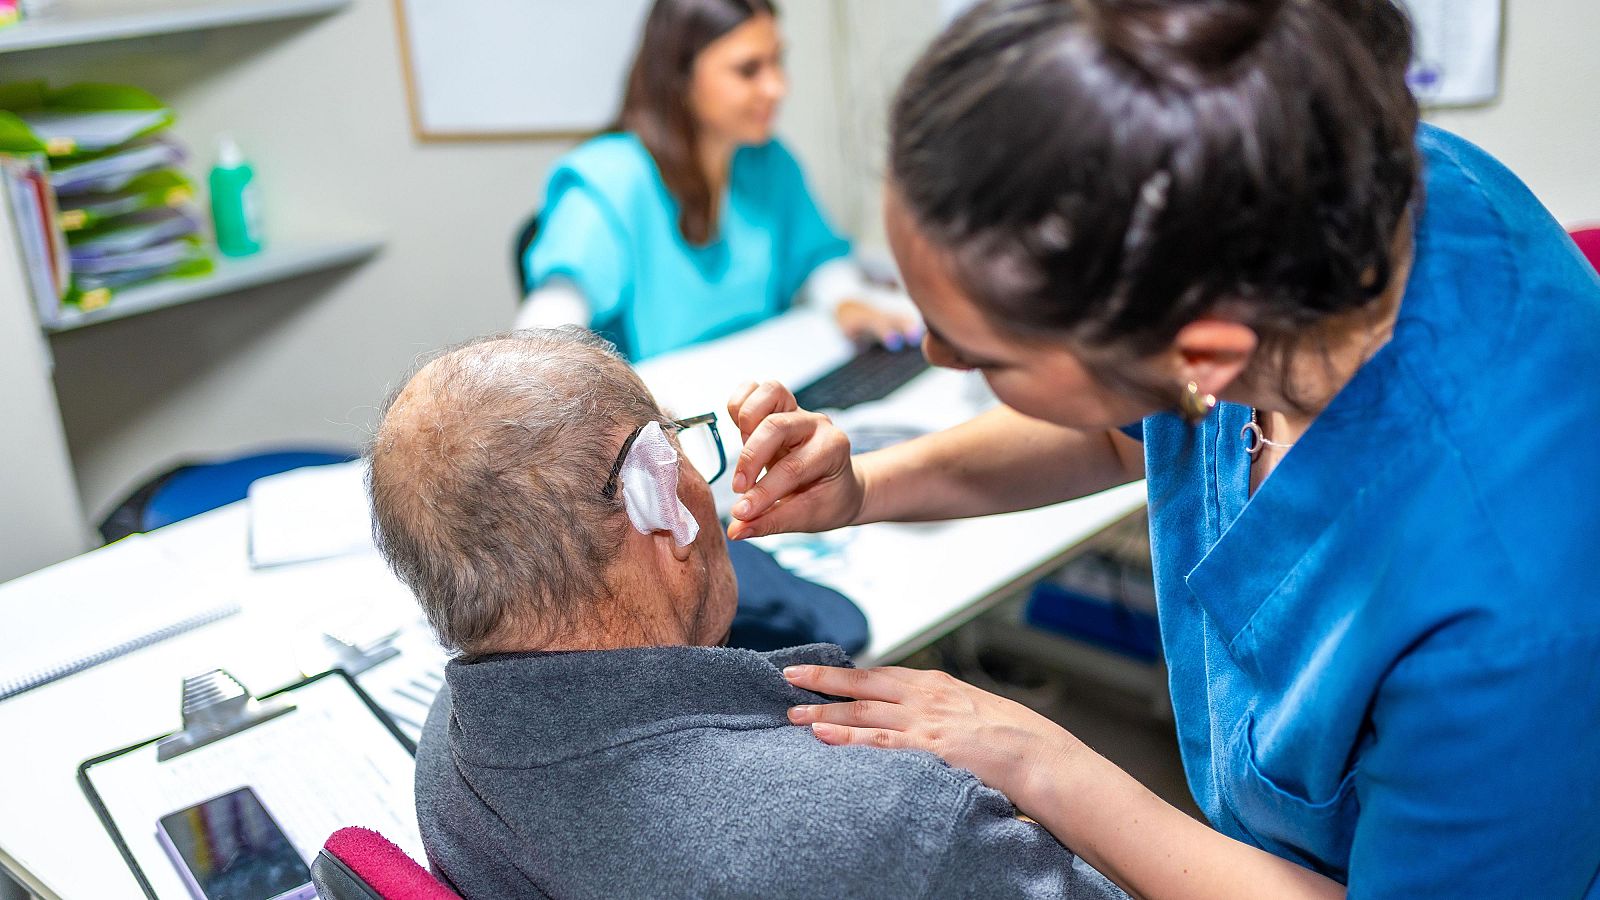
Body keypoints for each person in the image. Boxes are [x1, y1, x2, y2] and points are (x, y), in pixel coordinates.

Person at [722, 1, 1600, 898]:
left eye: (981, 352)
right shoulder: (1272, 205)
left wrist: (1037, 761)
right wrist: (867, 483)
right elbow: (1122, 421)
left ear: (1201, 351)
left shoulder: (1511, 608)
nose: (937, 356)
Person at [364, 328, 1120, 899]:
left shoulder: (450, 753)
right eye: (682, 443)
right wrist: (1041, 759)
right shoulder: (901, 821)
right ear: (658, 495)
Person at [515, 0, 915, 361]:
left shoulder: (768, 161)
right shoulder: (610, 180)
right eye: (748, 70)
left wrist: (844, 300)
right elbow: (544, 334)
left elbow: (815, 255)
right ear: (680, 76)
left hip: (755, 384)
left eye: (778, 62)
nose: (777, 87)